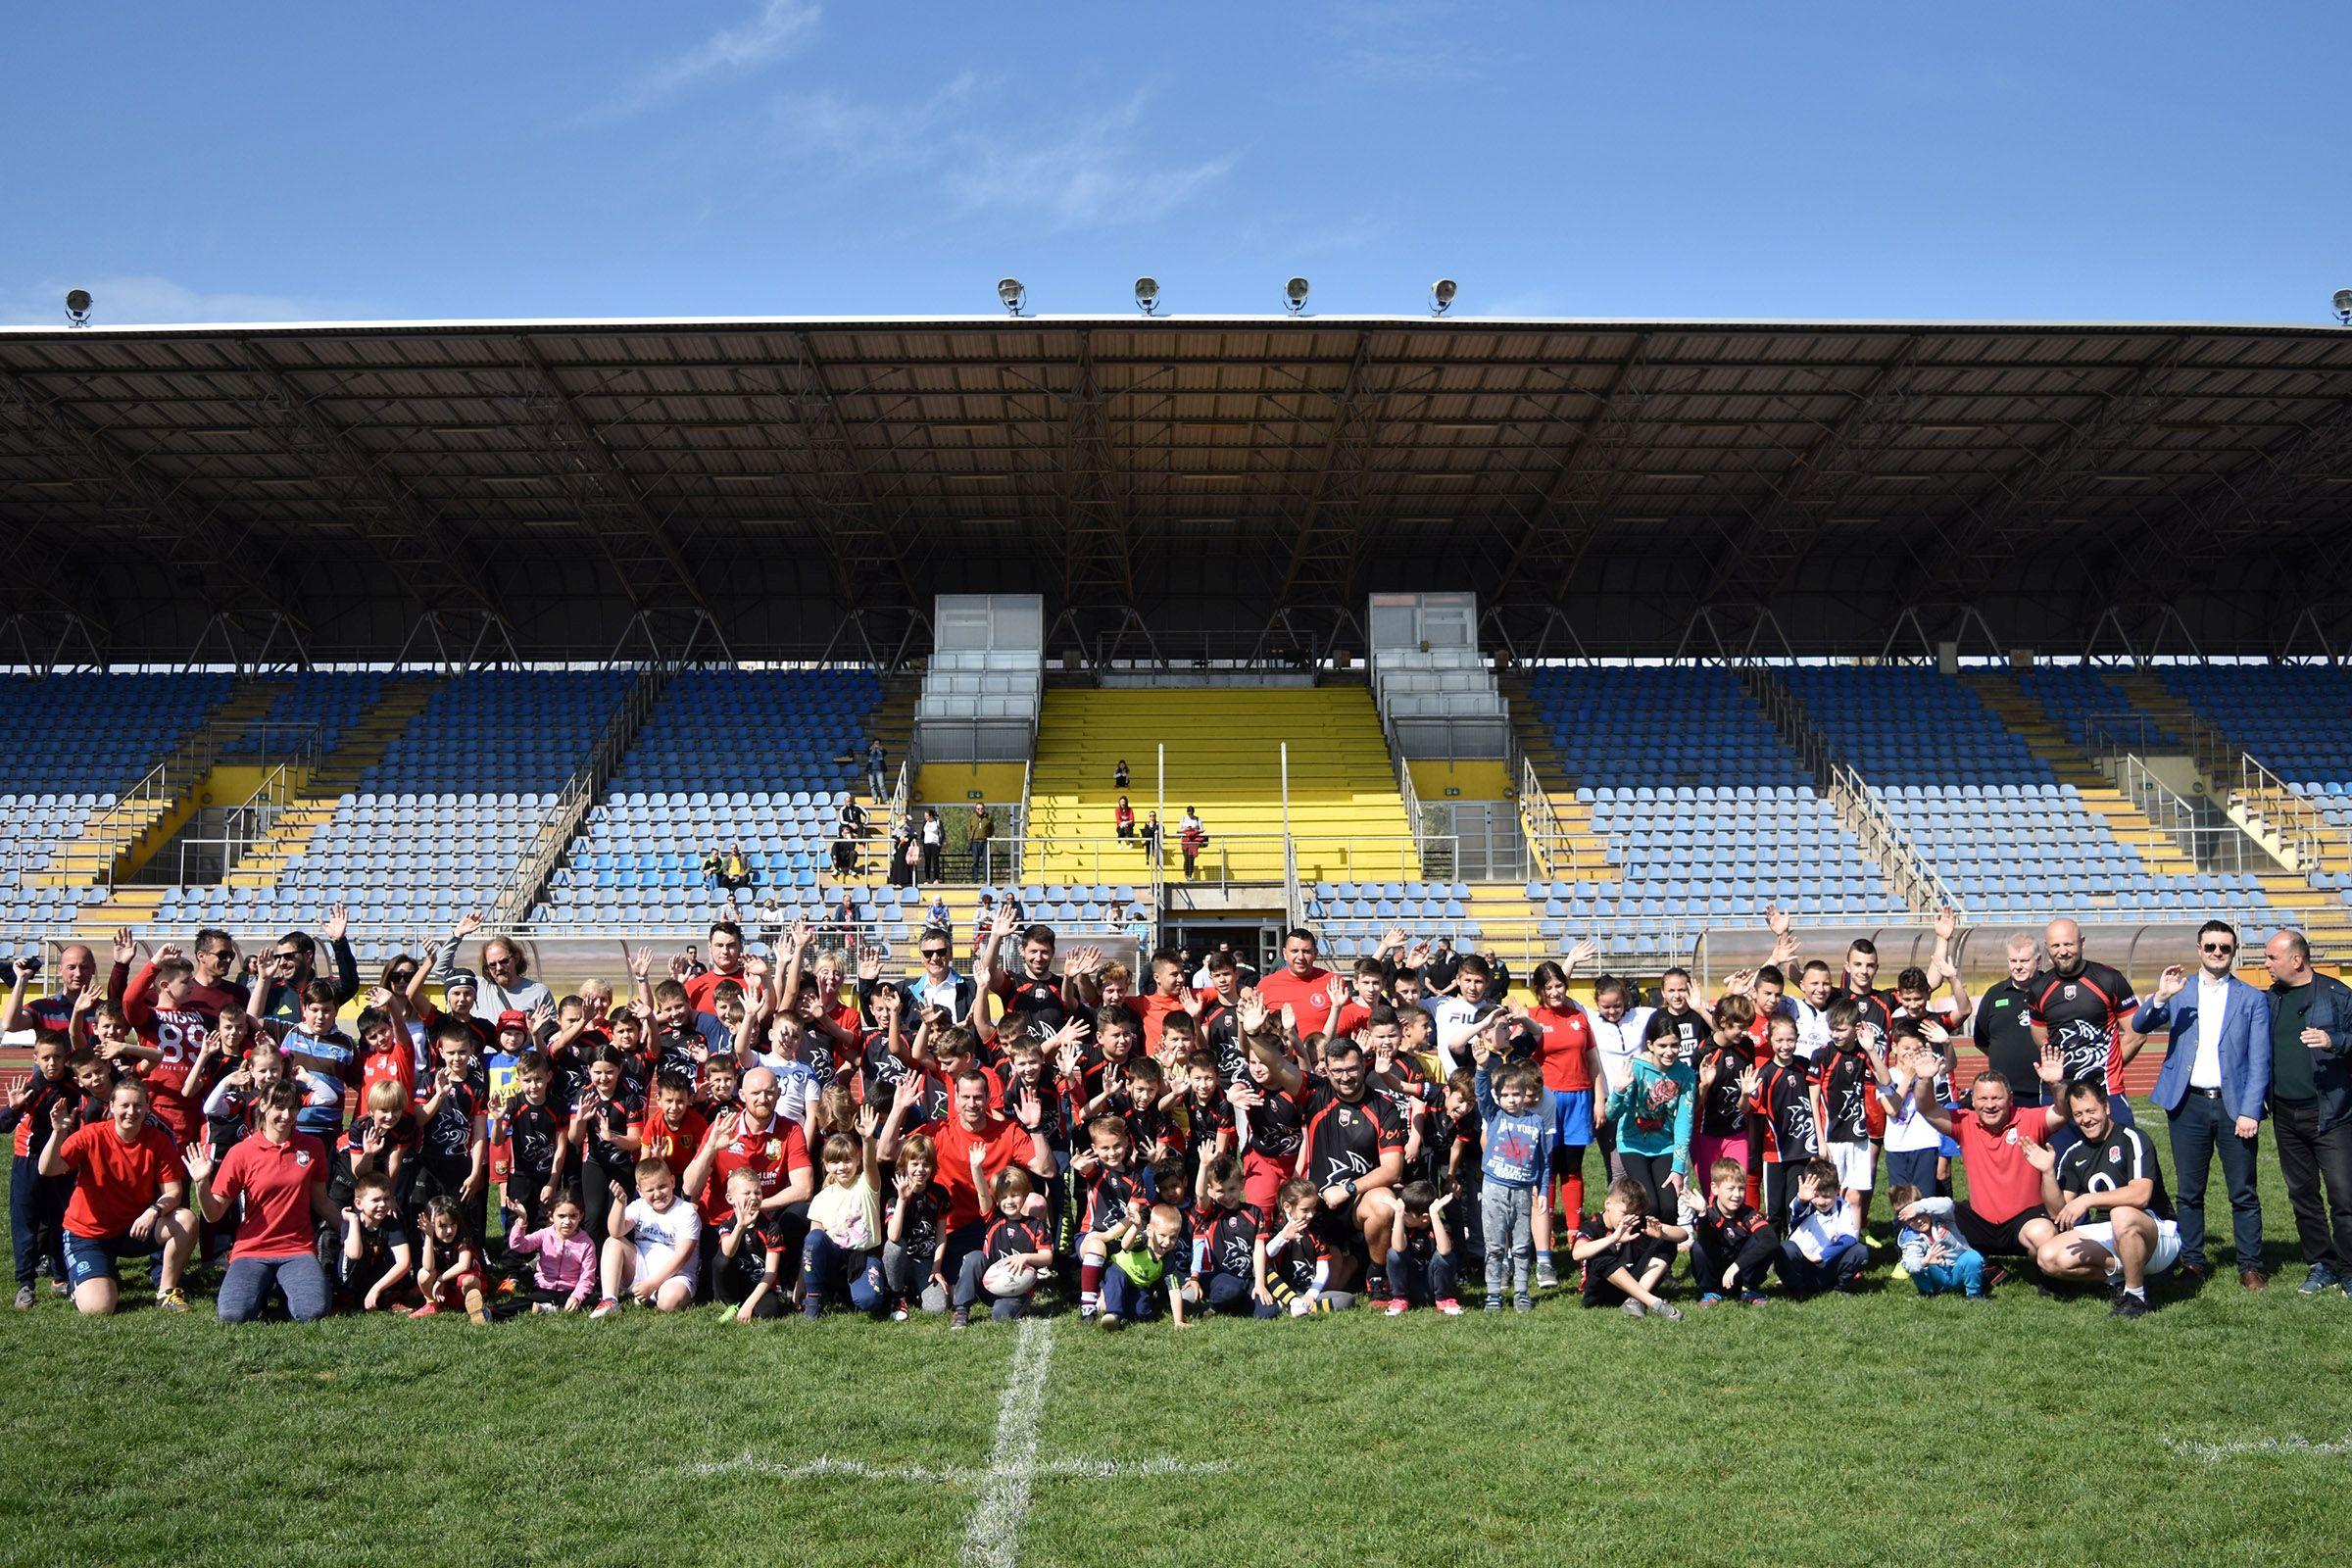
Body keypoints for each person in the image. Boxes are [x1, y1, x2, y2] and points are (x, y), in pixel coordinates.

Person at [2132, 920, 2273, 1289]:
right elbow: (2139, 1023)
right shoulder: (2179, 990)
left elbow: (2260, 1062)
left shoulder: (2252, 998)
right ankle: (2193, 1262)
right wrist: (2160, 997)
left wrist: (2250, 1110)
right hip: (2187, 1104)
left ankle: (2250, 1265)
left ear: (2233, 952)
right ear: (2199, 949)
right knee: (2189, 1192)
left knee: (2243, 1191)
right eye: (2210, 947)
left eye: (2224, 948)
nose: (2217, 953)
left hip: (2233, 1106)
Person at [2026, 1080, 2182, 1317]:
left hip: (2156, 1234)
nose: (2086, 1119)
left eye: (2091, 1111)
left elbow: (2141, 1195)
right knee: (2047, 1258)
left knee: (2121, 1213)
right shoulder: (2074, 1153)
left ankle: (2136, 1296)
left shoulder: (2132, 1138)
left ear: (2106, 1108)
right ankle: (2118, 1278)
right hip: (2109, 1233)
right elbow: (2060, 1213)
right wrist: (2047, 1172)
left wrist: (2088, 1200)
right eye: (2078, 1114)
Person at [38, 1079, 195, 1314]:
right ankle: (87, 1280)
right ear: (111, 1106)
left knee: (186, 1219)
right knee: (99, 1308)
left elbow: (173, 1192)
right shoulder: (91, 1135)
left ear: (147, 1107)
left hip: (133, 1230)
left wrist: (153, 1211)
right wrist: (58, 1132)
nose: (131, 1112)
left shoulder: (158, 1141)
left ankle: (166, 1291)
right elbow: (47, 1169)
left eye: (138, 1105)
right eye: (124, 1106)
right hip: (89, 1234)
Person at [184, 1082, 335, 1323]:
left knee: (312, 1312)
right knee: (233, 1315)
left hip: (297, 1249)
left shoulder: (312, 1147)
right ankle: (265, 1286)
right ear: (263, 1106)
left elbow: (321, 1202)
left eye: (293, 1108)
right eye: (280, 1107)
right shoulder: (241, 1152)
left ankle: (283, 1285)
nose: (287, 1116)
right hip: (251, 1250)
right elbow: (213, 1214)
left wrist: (351, 1227)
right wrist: (202, 1183)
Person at [1905, 1044, 2069, 1261]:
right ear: (1973, 1101)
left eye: (1996, 1098)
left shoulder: (2030, 1118)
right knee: (1939, 1222)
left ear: (2010, 1098)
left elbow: (2063, 1112)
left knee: (2044, 1233)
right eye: (1983, 1099)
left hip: (2024, 1222)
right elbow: (1927, 1108)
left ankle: (2046, 1278)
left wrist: (2056, 1084)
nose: (1989, 1105)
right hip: (1980, 1222)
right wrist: (1925, 1080)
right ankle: (1983, 1269)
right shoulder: (1964, 1122)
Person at [2259, 930, 2352, 1298]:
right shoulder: (2269, 1000)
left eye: (2271, 958)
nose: (2265, 964)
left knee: (2344, 1197)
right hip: (2285, 1113)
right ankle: (2322, 1264)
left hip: (2332, 1113)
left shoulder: (2337, 994)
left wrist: (2335, 1040)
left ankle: (2349, 1268)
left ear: (2296, 960)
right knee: (2302, 1195)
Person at [2027, 917, 2143, 1153]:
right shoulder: (2039, 989)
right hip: (2057, 1093)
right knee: (2059, 1169)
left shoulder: (2109, 979)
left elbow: (2135, 1033)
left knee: (2119, 1164)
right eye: (2056, 946)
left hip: (2105, 1090)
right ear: (2047, 948)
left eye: (2069, 944)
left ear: (2082, 942)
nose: (2063, 952)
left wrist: (2107, 1068)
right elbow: (2042, 1040)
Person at [1469, 1028, 1550, 1312]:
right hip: (1494, 1187)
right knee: (1494, 1245)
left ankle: (1522, 1292)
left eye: (1517, 1094)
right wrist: (1481, 1067)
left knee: (1521, 1244)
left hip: (1523, 1191)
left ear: (1525, 1094)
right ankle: (1493, 1293)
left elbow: (1544, 1160)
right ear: (1498, 1097)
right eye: (1506, 1095)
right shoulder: (1494, 1115)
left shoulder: (1536, 1122)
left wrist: (1544, 1189)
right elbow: (1481, 1095)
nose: (1512, 1100)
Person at [4, 1028, 81, 1308]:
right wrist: (13, 1109)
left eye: (57, 1057)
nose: (52, 1063)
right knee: (25, 1221)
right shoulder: (30, 1088)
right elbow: (3, 1125)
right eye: (46, 1058)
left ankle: (61, 1277)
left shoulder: (74, 1085)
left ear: (65, 1059)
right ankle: (25, 1284)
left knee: (61, 1219)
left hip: (62, 1161)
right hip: (28, 1161)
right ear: (35, 1058)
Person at [1602, 1021, 1695, 1218]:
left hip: (1665, 1145)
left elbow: (1684, 1122)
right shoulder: (1636, 1068)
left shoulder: (1685, 1074)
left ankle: (1665, 1250)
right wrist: (1618, 1091)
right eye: (1663, 1046)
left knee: (1669, 1207)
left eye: (1675, 1045)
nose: (1669, 1051)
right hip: (1633, 1143)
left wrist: (1678, 1168)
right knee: (1649, 1206)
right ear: (1650, 1045)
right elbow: (1611, 1114)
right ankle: (1644, 1248)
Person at [594, 1156, 700, 1316]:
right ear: (640, 1191)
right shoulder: (639, 1206)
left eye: (662, 1186)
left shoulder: (686, 1212)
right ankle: (610, 1300)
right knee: (612, 1242)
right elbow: (615, 1231)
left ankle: (650, 1294)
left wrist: (653, 1284)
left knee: (669, 1302)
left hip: (675, 1276)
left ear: (672, 1182)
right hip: (641, 1269)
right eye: (650, 1190)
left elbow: (682, 1256)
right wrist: (620, 1203)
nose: (657, 1194)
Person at [1571, 1178, 1684, 1318]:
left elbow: (1682, 1235)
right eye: (1624, 1213)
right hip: (1602, 1292)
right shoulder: (1592, 1225)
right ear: (1608, 1204)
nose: (1628, 1219)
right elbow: (1577, 1253)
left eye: (1634, 1214)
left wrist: (1662, 1234)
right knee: (1599, 1254)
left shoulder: (1637, 1222)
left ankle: (1635, 1301)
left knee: (1666, 1242)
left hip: (1632, 1287)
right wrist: (1613, 1238)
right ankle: (1654, 1303)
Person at [1690, 1156, 1779, 1305]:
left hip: (1741, 1273)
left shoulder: (1748, 1214)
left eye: (1741, 1188)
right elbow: (1705, 1243)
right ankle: (1710, 1293)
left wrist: (1736, 1266)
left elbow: (1771, 1241)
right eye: (1731, 1189)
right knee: (1697, 1247)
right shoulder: (1707, 1213)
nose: (1737, 1195)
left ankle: (1749, 1290)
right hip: (1718, 1274)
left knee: (1761, 1240)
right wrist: (1702, 1215)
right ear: (1715, 1188)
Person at [1779, 1158, 1867, 1298]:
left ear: (1837, 1190)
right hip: (1803, 1264)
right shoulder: (1806, 1204)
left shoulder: (1842, 1206)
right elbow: (1796, 1212)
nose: (1820, 1201)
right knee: (1786, 1248)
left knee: (1860, 1251)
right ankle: (1798, 1290)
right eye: (1816, 1195)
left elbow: (1849, 1238)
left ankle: (1840, 1287)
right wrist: (1801, 1200)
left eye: (1826, 1196)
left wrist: (1820, 1256)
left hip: (1825, 1263)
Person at [503, 1189, 597, 1313]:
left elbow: (587, 1277)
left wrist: (576, 1297)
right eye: (561, 1216)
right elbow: (518, 1245)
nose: (567, 1222)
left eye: (573, 1216)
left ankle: (549, 1308)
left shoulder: (586, 1243)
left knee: (597, 1299)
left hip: (570, 1291)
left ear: (581, 1216)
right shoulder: (545, 1234)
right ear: (551, 1216)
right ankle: (490, 1313)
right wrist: (522, 1220)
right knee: (519, 1303)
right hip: (544, 1289)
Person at [1891, 1186, 1989, 1300]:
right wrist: (1924, 1261)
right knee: (1917, 1267)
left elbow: (1948, 1204)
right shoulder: (1909, 1236)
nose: (1918, 1220)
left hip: (1959, 1269)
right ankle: (1927, 1294)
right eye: (1911, 1219)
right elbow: (1909, 1263)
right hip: (1937, 1277)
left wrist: (1918, 1207)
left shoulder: (1942, 1216)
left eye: (1919, 1214)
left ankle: (1974, 1294)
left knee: (1973, 1257)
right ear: (1904, 1221)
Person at [1383, 1182, 1461, 1316]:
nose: (1404, 1216)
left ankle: (1444, 1300)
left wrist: (1435, 1216)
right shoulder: (1403, 1224)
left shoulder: (1441, 1226)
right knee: (1393, 1254)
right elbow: (1398, 1247)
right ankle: (1400, 1299)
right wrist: (1399, 1214)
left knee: (1445, 1257)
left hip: (1433, 1287)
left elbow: (1444, 1251)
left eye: (1406, 1214)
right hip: (1410, 1286)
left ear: (1425, 1218)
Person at [967, 801, 995, 882]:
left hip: (985, 842)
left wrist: (988, 836)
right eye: (978, 808)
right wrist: (971, 838)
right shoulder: (972, 817)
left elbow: (992, 829)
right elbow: (969, 829)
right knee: (975, 861)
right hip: (975, 842)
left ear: (984, 809)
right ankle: (975, 879)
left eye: (982, 808)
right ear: (975, 809)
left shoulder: (988, 817)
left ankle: (985, 879)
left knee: (986, 861)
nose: (980, 810)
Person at [920, 808, 945, 884]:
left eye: (927, 816)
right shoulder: (925, 822)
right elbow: (922, 833)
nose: (925, 817)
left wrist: (939, 843)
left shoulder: (937, 822)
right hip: (926, 843)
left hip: (935, 843)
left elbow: (942, 833)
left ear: (931, 816)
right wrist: (922, 841)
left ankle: (936, 878)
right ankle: (927, 878)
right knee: (927, 862)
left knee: (935, 862)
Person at [1179, 812, 1207, 879]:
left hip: (1193, 842)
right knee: (1187, 858)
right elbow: (1179, 830)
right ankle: (1186, 874)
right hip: (1185, 841)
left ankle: (1190, 875)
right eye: (1189, 814)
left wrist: (1195, 830)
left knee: (1191, 858)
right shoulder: (1184, 818)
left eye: (1191, 813)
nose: (1190, 815)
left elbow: (1202, 830)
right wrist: (1186, 829)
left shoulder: (1197, 819)